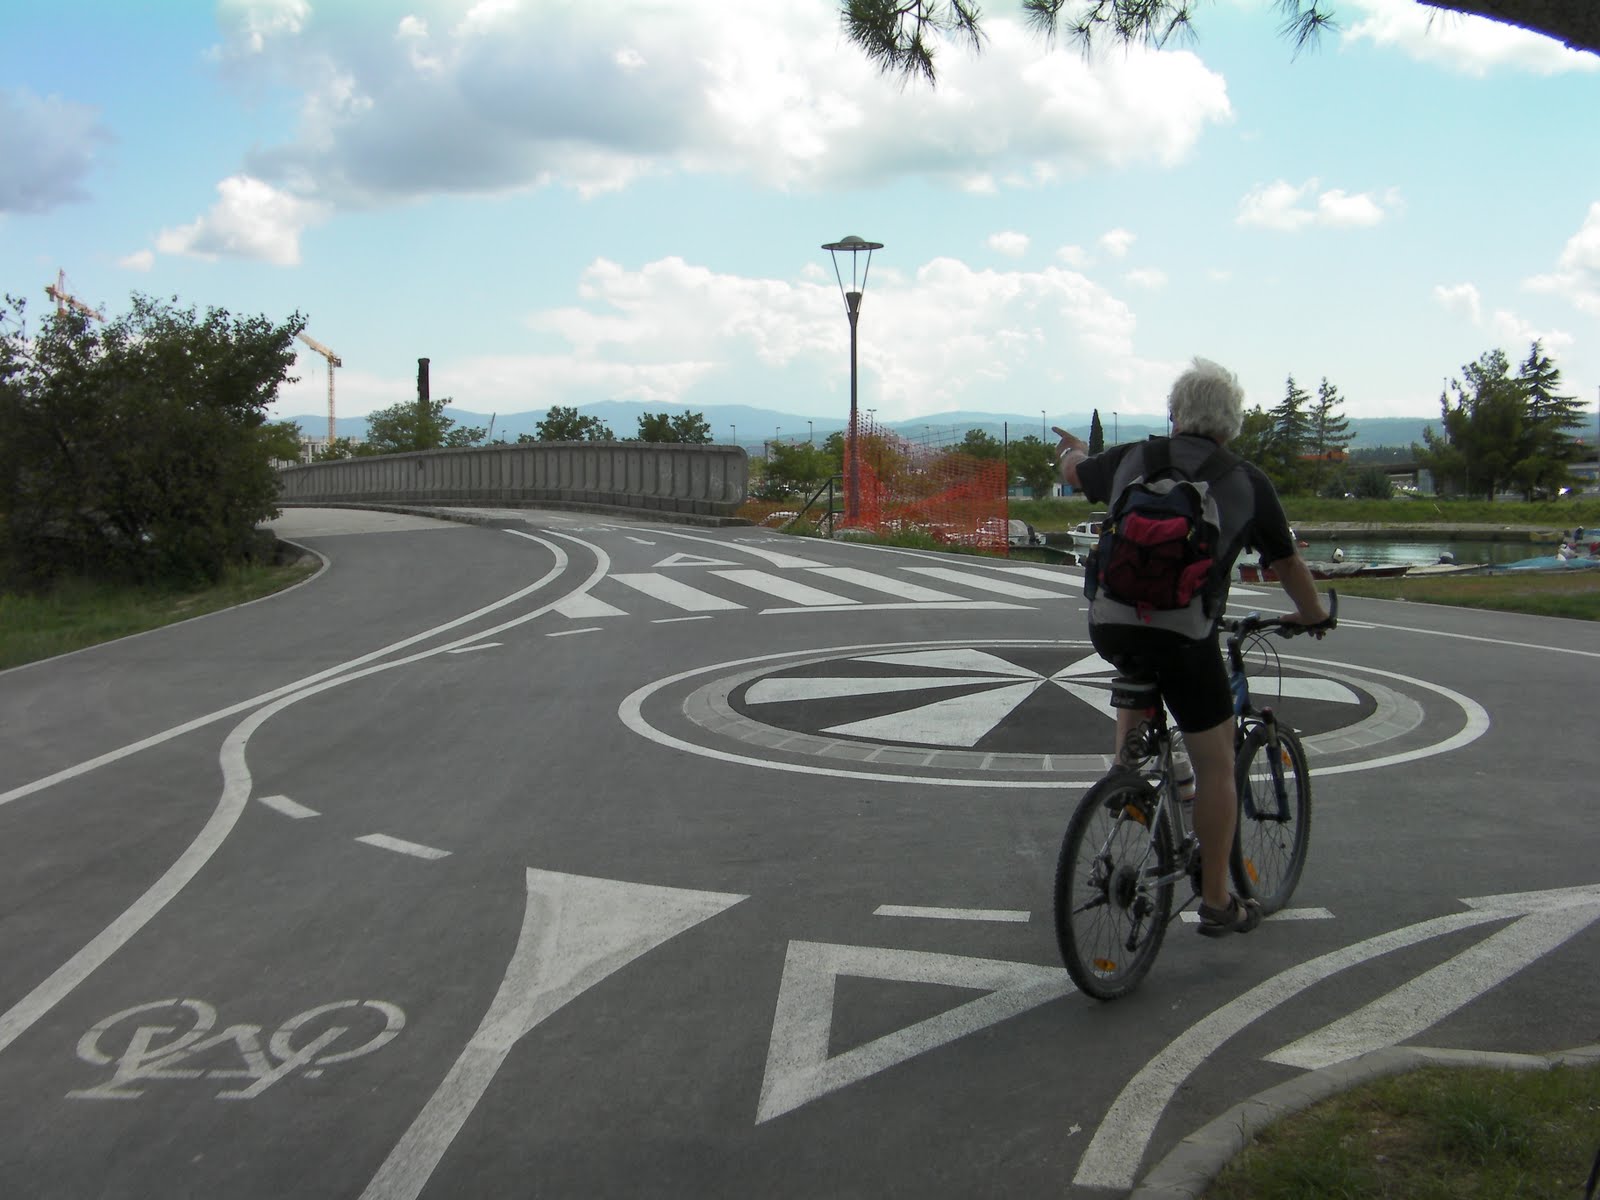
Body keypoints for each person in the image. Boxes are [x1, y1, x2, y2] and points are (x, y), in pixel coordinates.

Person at [1054, 357, 1329, 937]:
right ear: (1232, 423)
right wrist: (1313, 615)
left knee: (1138, 661)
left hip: (1110, 623)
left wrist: (1072, 451)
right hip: (1186, 634)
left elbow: (1075, 473)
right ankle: (1217, 900)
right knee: (1216, 764)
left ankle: (1129, 773)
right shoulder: (1246, 481)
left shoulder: (1135, 458)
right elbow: (1286, 562)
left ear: (1175, 414)